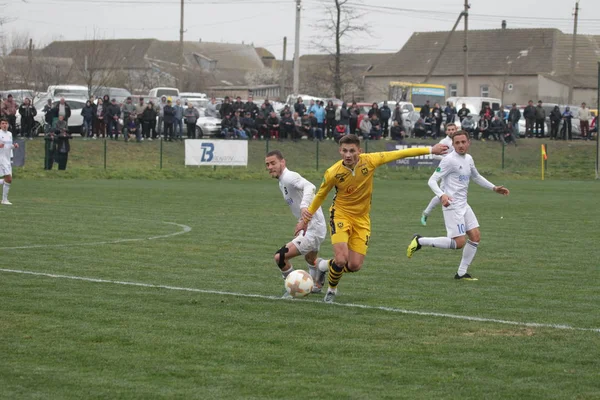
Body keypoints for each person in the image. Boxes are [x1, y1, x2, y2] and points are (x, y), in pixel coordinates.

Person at [295, 134, 448, 302]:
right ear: (340, 151)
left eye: (352, 150)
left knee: (354, 265)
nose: (348, 155)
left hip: (362, 219)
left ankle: (323, 266)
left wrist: (430, 150)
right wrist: (304, 220)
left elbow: (400, 154)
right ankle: (331, 290)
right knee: (341, 259)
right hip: (340, 215)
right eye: (344, 151)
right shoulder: (333, 173)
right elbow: (320, 196)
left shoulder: (371, 160)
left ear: (359, 151)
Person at [407, 130, 510, 280]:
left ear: (469, 143)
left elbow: (476, 176)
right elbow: (431, 180)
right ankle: (419, 241)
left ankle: (461, 273)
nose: (461, 145)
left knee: (475, 236)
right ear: (453, 144)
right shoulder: (449, 160)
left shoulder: (468, 159)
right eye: (457, 143)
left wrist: (494, 188)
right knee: (459, 243)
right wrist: (442, 195)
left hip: (464, 205)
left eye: (463, 142)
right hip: (452, 206)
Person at [265, 150, 329, 296]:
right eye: (267, 164)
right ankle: (320, 273)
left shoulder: (289, 177)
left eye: (273, 163)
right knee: (311, 259)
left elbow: (310, 187)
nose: (269, 167)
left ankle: (292, 287)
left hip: (313, 228)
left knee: (280, 257)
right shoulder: (282, 181)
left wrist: (303, 207)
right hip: (311, 225)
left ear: (283, 162)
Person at [420, 123, 457, 226]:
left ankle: (427, 213)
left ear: (456, 129)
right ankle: (426, 213)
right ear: (446, 131)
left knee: (447, 193)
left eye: (452, 129)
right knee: (442, 194)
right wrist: (446, 159)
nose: (451, 131)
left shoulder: (457, 141)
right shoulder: (444, 142)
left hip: (455, 171)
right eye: (449, 130)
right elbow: (434, 155)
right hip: (445, 170)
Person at [0, 118, 19, 205]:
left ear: (8, 125)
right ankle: (4, 200)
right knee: (9, 179)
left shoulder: (9, 134)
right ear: (0, 125)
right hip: (1, 159)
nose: (4, 125)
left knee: (8, 179)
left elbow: (9, 146)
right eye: (3, 123)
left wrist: (14, 146)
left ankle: (4, 200)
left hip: (7, 159)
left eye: (6, 123)